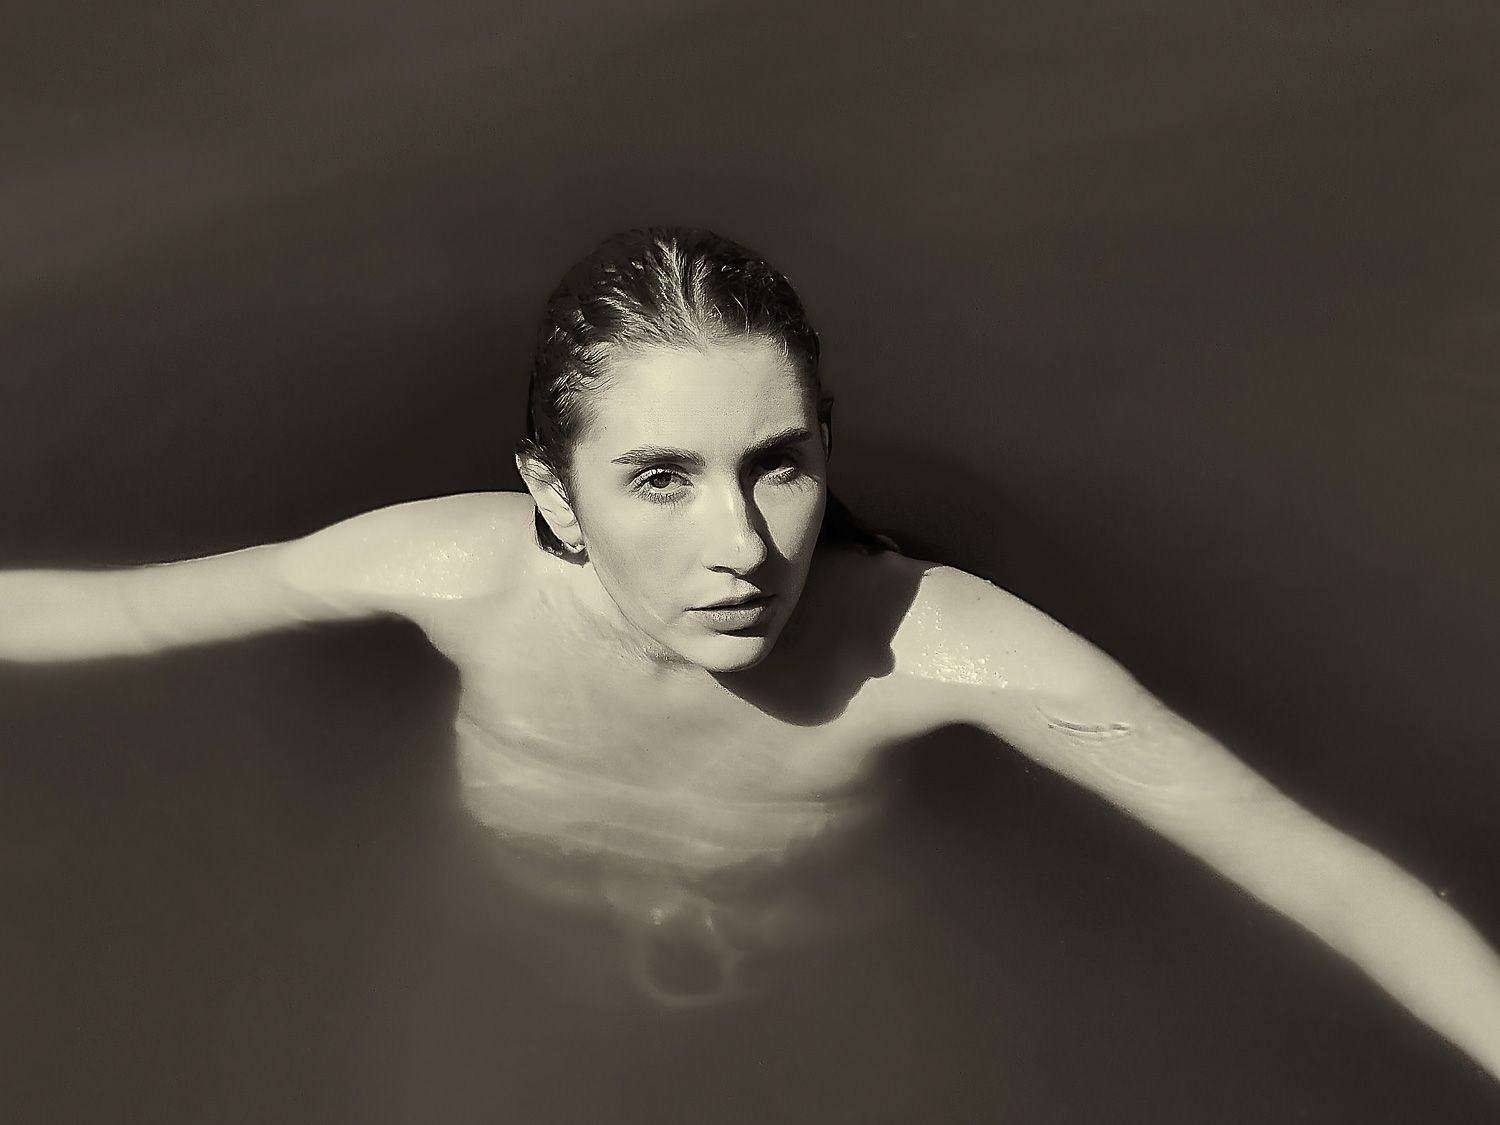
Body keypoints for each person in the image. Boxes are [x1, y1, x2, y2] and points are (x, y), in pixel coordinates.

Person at [3, 228, 1500, 1061]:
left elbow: (1312, 868)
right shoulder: (452, 571)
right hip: (504, 950)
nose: (743, 541)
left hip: (815, 994)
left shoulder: (934, 648)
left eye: (777, 465)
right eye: (661, 477)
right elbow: (122, 609)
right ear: (553, 494)